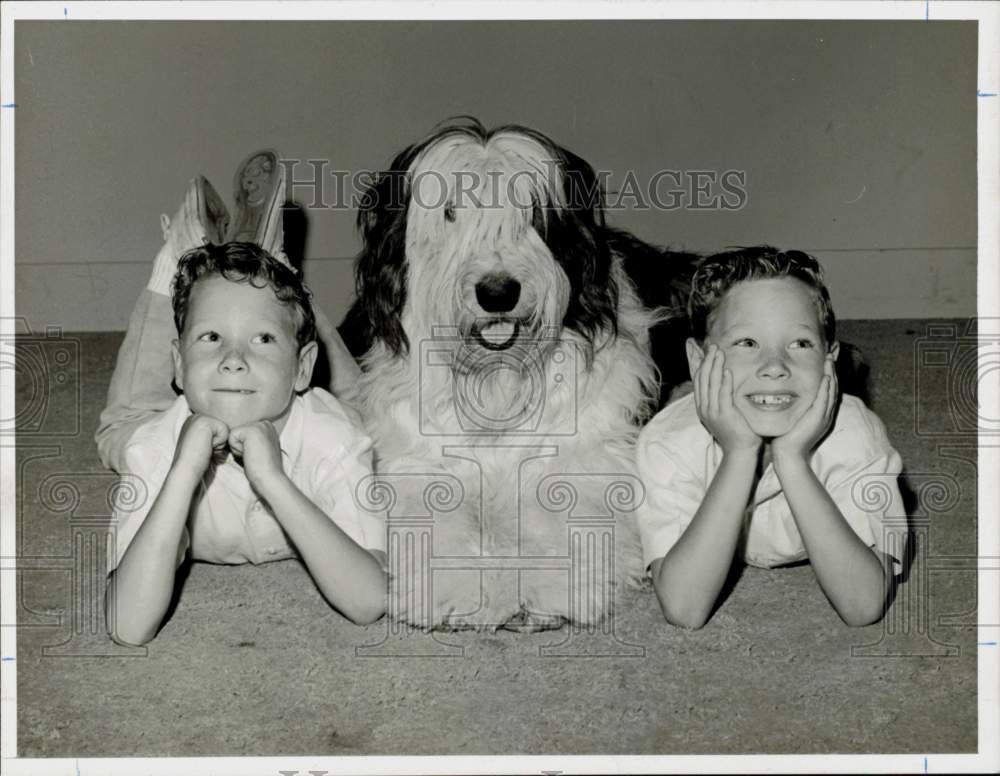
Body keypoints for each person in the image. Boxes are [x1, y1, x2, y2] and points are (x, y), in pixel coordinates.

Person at [637, 246, 904, 629]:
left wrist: (793, 459)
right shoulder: (667, 443)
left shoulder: (854, 436)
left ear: (830, 361)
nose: (775, 367)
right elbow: (684, 608)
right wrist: (739, 453)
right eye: (747, 343)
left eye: (800, 343)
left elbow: (863, 605)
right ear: (698, 362)